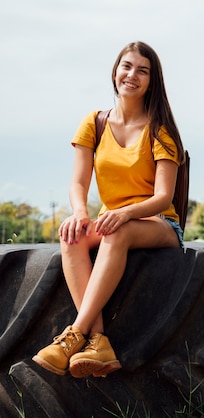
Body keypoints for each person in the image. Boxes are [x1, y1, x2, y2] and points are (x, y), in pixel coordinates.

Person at [32, 41, 185, 378]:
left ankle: (74, 334)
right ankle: (98, 342)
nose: (132, 75)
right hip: (112, 222)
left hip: (158, 224)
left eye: (142, 70)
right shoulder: (94, 122)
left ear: (152, 81)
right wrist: (80, 213)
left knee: (116, 230)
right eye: (126, 66)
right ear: (115, 71)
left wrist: (128, 212)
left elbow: (163, 196)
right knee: (72, 236)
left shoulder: (161, 130)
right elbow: (78, 183)